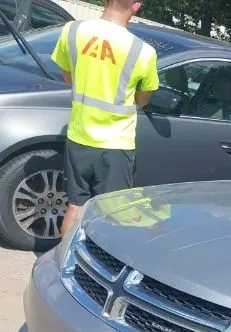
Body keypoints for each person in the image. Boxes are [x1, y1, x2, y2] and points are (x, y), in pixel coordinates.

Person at [50, 0, 159, 236]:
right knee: (114, 215)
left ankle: (64, 263)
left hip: (79, 136)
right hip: (116, 145)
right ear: (136, 6)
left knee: (75, 207)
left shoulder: (73, 30)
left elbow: (68, 76)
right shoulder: (143, 51)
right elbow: (143, 99)